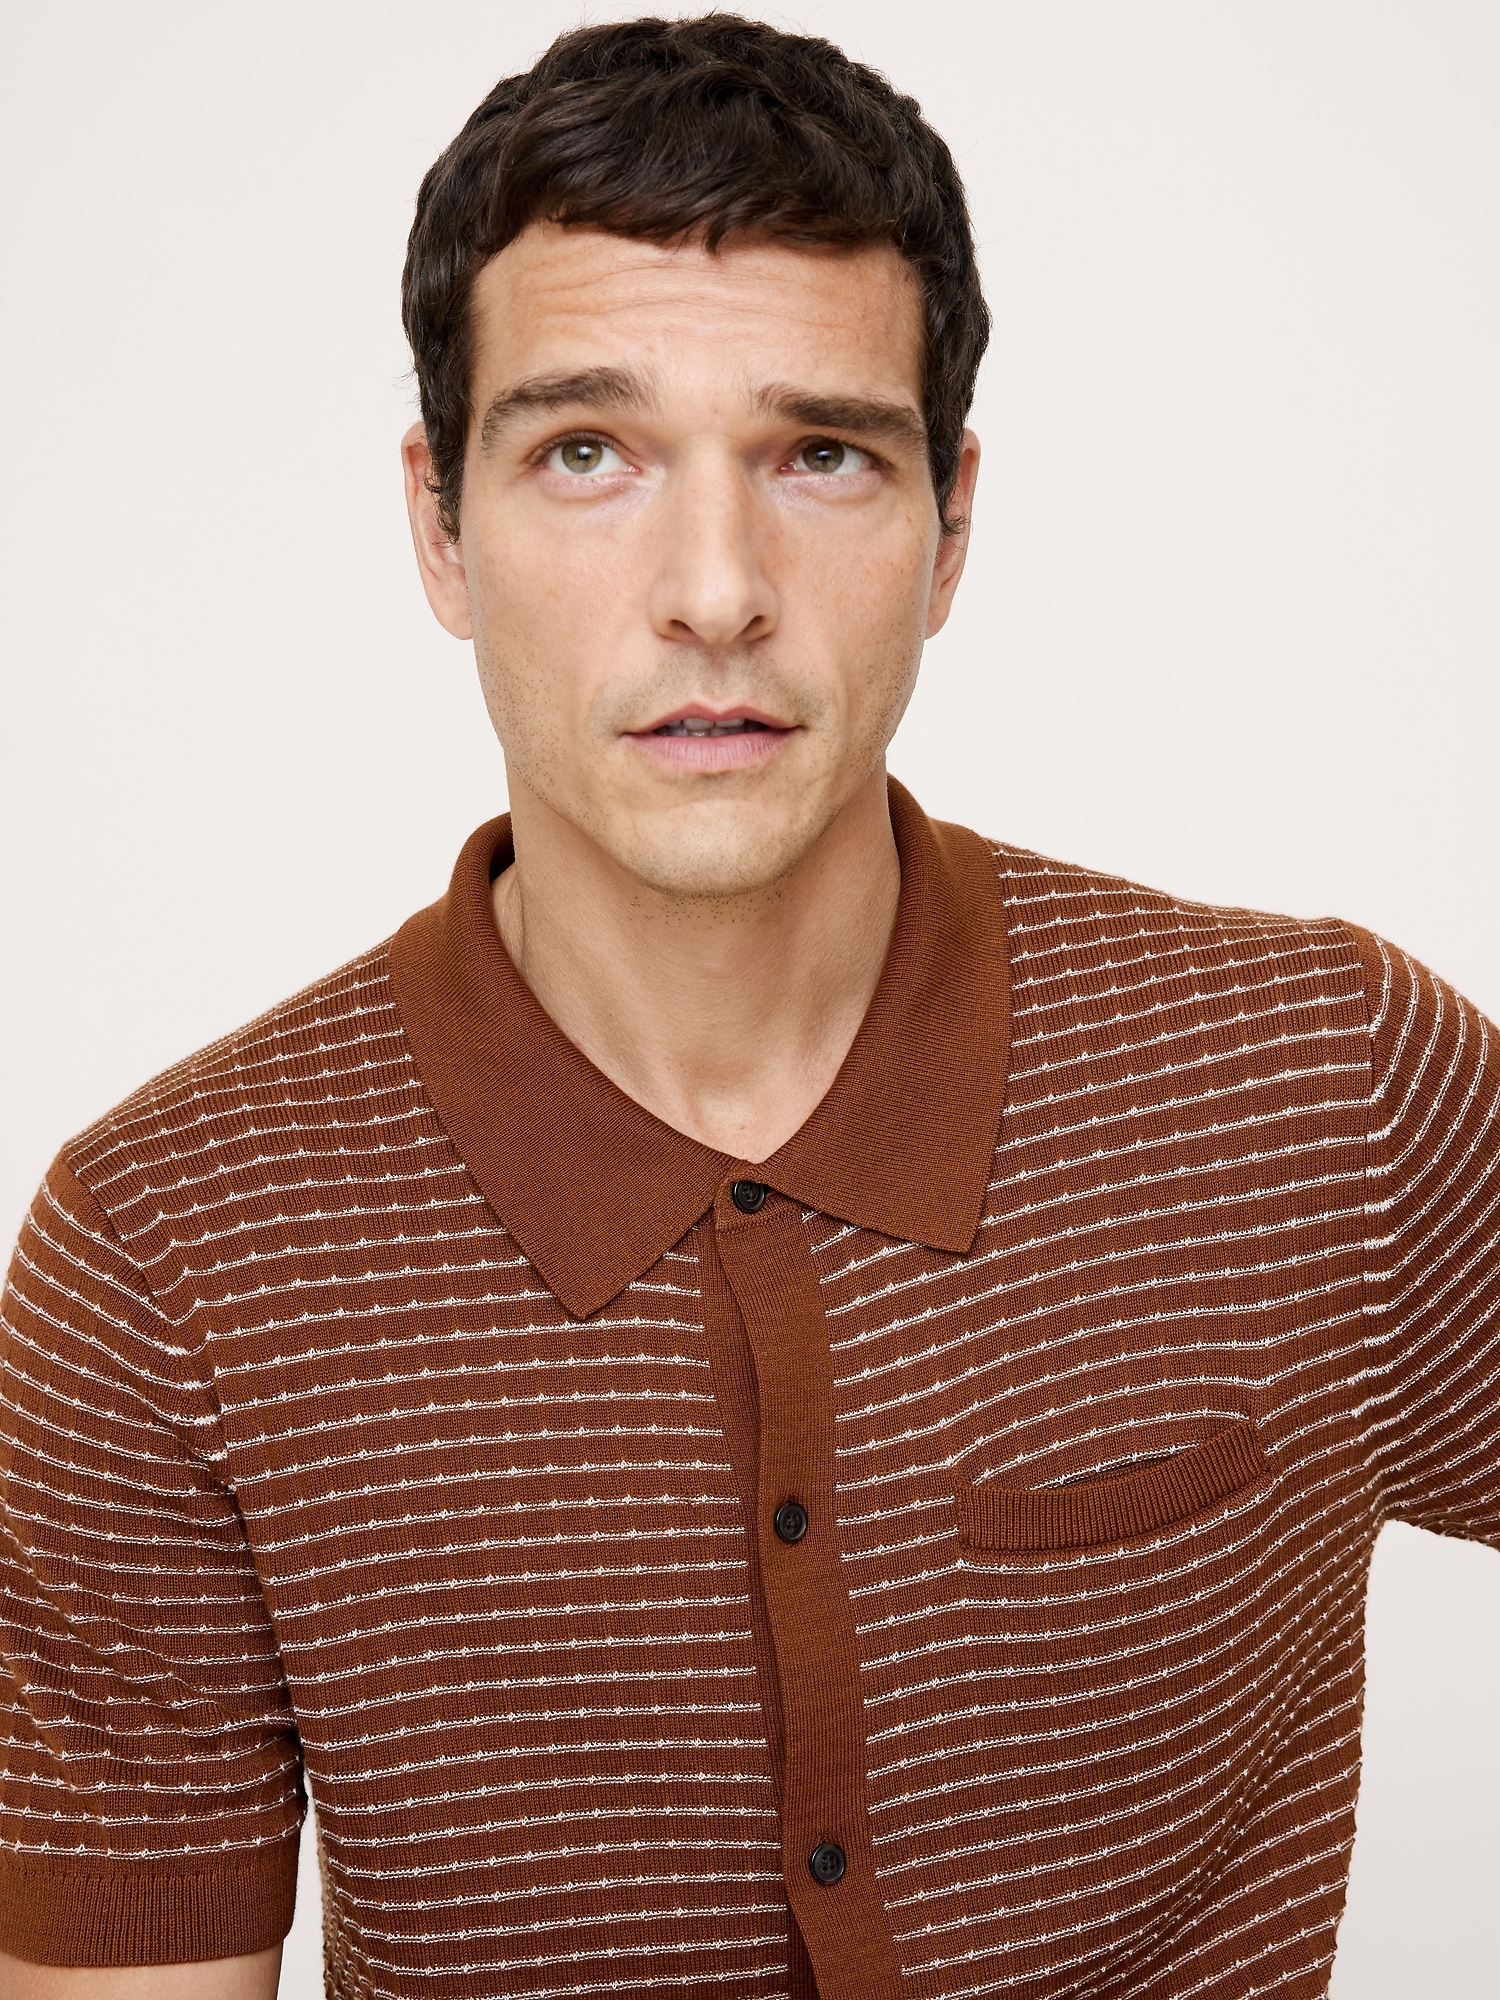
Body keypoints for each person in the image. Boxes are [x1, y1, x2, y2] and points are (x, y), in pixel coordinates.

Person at [0, 13, 1495, 1998]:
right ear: (441, 525)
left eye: (822, 454)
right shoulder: (167, 1259)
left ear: (951, 525)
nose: (715, 588)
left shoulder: (1322, 1085)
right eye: (587, 453)